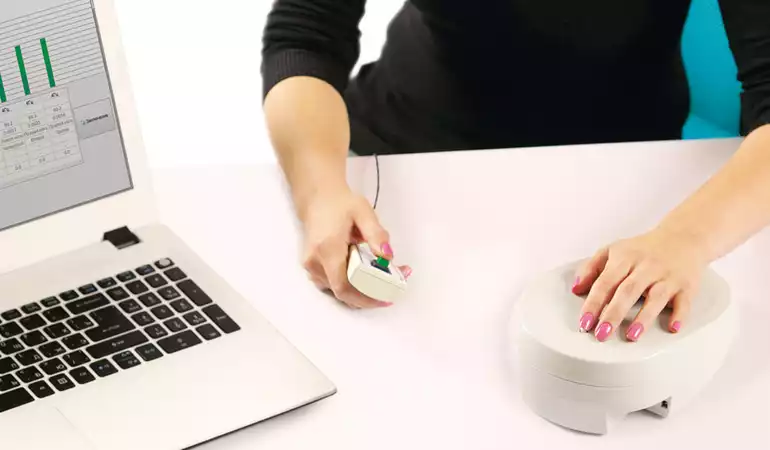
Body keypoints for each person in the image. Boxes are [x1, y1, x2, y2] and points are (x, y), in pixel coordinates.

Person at [260, 1, 770, 343]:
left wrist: (685, 240)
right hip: (401, 173)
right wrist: (320, 191)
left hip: (622, 192)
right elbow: (305, 33)